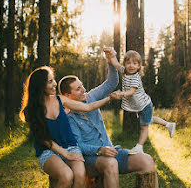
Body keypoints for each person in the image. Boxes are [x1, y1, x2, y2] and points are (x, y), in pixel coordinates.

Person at [59, 47, 158, 188]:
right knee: (111, 163)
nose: (84, 90)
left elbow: (111, 83)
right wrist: (99, 150)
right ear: (68, 96)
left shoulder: (91, 96)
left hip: (112, 152)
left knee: (146, 160)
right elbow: (78, 146)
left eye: (82, 86)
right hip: (91, 159)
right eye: (78, 89)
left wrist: (110, 61)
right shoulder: (68, 119)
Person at [19, 65, 112, 188]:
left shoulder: (60, 100)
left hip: (71, 147)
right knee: (67, 176)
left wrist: (109, 98)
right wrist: (65, 154)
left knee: (80, 174)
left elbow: (88, 107)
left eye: (54, 80)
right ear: (40, 86)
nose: (55, 84)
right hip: (49, 152)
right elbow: (44, 139)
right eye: (50, 82)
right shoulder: (31, 110)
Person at [108, 50, 176, 154]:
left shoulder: (135, 78)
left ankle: (139, 147)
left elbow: (131, 92)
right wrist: (110, 55)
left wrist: (120, 94)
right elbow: (115, 63)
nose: (131, 66)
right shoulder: (124, 71)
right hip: (139, 105)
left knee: (144, 126)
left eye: (134, 63)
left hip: (144, 105)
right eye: (128, 63)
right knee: (148, 120)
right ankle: (168, 125)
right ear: (124, 64)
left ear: (139, 66)